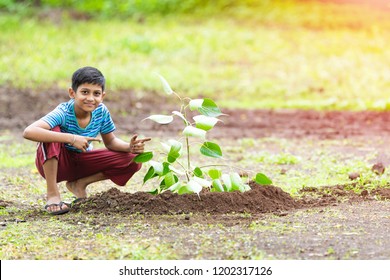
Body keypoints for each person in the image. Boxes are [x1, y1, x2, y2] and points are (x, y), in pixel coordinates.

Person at [23, 66, 151, 215]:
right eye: (85, 92)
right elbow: (29, 131)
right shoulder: (63, 112)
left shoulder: (101, 111)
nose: (90, 98)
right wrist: (71, 138)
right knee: (51, 130)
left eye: (96, 94)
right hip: (57, 164)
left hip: (82, 161)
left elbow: (110, 142)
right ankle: (53, 195)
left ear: (102, 96)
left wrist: (129, 147)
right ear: (72, 93)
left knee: (134, 159)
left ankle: (79, 184)